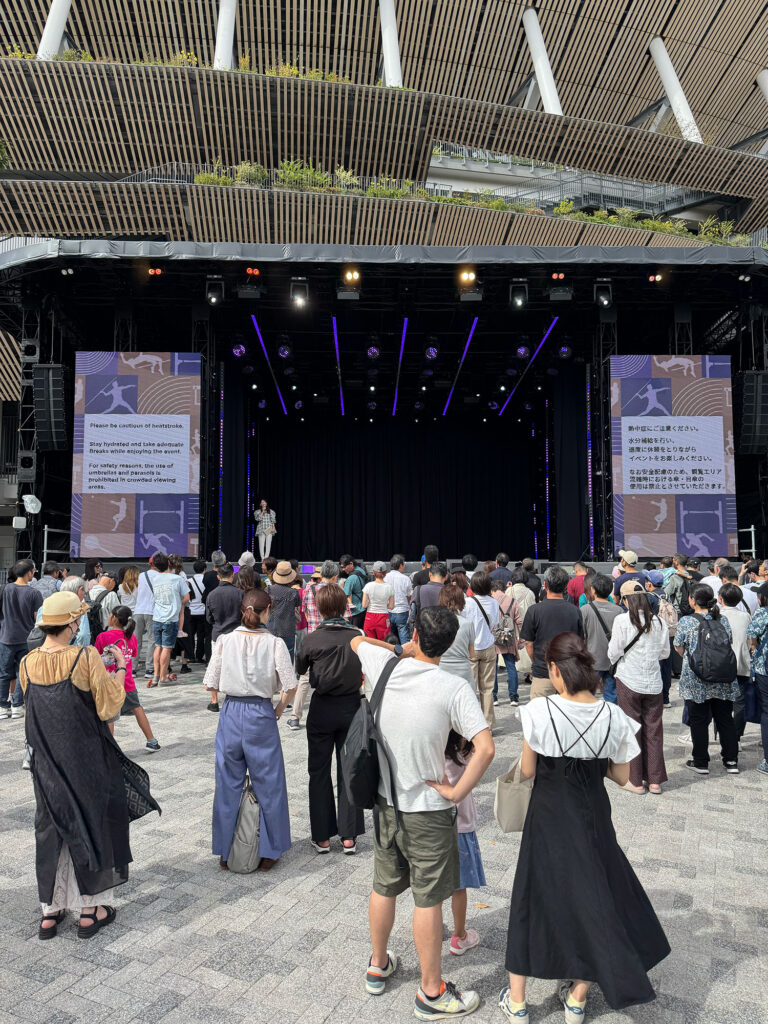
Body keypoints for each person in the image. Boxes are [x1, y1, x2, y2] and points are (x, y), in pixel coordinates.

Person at [499, 632, 670, 1022]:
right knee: (595, 897)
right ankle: (576, 998)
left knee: (533, 897)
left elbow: (526, 771)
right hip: (592, 815)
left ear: (556, 670)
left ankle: (518, 1001)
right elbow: (621, 775)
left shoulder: (538, 711)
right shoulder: (614, 716)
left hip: (547, 815)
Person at [351, 607, 494, 1020]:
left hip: (385, 802)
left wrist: (398, 647)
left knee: (384, 886)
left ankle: (378, 965)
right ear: (451, 646)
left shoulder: (385, 666)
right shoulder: (453, 687)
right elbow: (485, 748)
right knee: (428, 899)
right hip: (429, 809)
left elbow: (356, 640)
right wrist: (457, 791)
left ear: (414, 633)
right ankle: (431, 991)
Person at [20, 592, 159, 940]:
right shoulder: (85, 656)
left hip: (46, 763)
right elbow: (108, 706)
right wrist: (122, 667)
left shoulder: (27, 663)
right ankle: (90, 910)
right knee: (93, 824)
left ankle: (50, 913)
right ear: (71, 623)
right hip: (85, 760)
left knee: (50, 828)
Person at [205, 589, 296, 873]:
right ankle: (270, 850)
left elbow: (210, 683)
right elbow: (290, 686)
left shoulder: (224, 640)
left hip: (232, 712)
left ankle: (225, 849)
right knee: (269, 784)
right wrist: (279, 709)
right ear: (268, 610)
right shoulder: (275, 643)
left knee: (228, 782)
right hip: (260, 713)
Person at [295, 584, 365, 855]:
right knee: (350, 770)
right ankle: (349, 836)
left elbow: (300, 668)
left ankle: (322, 837)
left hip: (322, 708)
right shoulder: (358, 635)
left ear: (321, 609)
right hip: (351, 707)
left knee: (318, 771)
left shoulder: (312, 639)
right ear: (344, 606)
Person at [607, 581, 670, 794]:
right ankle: (654, 781)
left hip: (628, 680)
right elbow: (665, 654)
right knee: (654, 730)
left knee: (631, 728)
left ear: (625, 600)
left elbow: (614, 651)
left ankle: (634, 780)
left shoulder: (622, 620)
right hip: (653, 682)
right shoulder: (659, 622)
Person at [674, 583, 739, 775]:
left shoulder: (687, 621)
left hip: (697, 680)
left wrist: (692, 658)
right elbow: (729, 642)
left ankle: (701, 761)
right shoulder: (723, 619)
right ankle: (731, 760)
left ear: (693, 600)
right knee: (725, 719)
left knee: (699, 720)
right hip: (723, 677)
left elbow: (678, 646)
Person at [444, 730, 486, 957]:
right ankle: (459, 936)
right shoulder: (463, 743)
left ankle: (431, 922)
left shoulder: (433, 739)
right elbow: (484, 749)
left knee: (430, 881)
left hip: (431, 821)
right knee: (458, 886)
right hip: (460, 822)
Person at [94, 605, 160, 751]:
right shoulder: (131, 637)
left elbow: (96, 658)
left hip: (110, 682)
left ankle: (109, 749)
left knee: (109, 715)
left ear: (114, 618)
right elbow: (134, 654)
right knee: (137, 708)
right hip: (128, 681)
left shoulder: (103, 637)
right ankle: (152, 740)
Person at [520, 565, 584, 700]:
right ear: (566, 586)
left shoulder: (534, 610)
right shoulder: (575, 611)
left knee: (541, 715)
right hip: (568, 672)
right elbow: (580, 643)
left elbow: (528, 643)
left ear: (545, 585)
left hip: (543, 671)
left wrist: (536, 661)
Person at [0, 559, 44, 718]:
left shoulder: (4, 589)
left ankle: (2, 707)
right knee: (22, 672)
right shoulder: (34, 593)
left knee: (3, 673)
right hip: (26, 638)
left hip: (5, 637)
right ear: (29, 573)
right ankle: (17, 705)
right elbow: (37, 618)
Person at [463, 572, 500, 729]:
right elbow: (495, 624)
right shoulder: (493, 602)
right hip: (489, 646)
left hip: (471, 648)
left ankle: (471, 724)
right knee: (487, 689)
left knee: (470, 689)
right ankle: (488, 724)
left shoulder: (468, 603)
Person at [205, 562, 243, 711]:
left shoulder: (212, 594)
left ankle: (214, 701)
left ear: (218, 576)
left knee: (215, 666)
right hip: (236, 634)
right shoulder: (240, 593)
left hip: (218, 634)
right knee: (235, 666)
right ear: (233, 575)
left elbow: (209, 618)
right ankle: (234, 696)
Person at [147, 554, 190, 687]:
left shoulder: (154, 579)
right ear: (169, 564)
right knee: (166, 648)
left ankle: (155, 677)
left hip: (157, 617)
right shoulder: (177, 579)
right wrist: (178, 603)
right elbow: (187, 597)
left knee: (158, 646)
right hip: (170, 618)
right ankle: (163, 678)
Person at [581, 572, 623, 704]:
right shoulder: (619, 611)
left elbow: (581, 636)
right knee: (612, 696)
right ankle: (610, 720)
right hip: (613, 661)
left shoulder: (585, 610)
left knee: (587, 695)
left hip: (592, 660)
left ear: (593, 590)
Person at [719, 583, 751, 742]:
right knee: (740, 703)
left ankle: (724, 734)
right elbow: (750, 641)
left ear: (720, 598)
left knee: (722, 703)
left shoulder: (715, 616)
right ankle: (736, 737)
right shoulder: (746, 616)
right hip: (741, 664)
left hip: (720, 666)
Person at [747, 582, 768, 775]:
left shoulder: (763, 613)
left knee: (767, 711)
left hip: (765, 668)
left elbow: (752, 634)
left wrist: (754, 646)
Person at [490, 579, 522, 708]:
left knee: (493, 668)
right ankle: (513, 697)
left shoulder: (489, 601)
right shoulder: (512, 601)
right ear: (503, 589)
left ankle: (494, 697)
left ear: (492, 590)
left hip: (493, 638)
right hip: (508, 637)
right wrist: (522, 639)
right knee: (511, 666)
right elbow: (519, 621)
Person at [436, 584, 475, 687]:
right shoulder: (468, 623)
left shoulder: (435, 623)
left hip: (441, 671)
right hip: (463, 674)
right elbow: (472, 654)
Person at [267, 561, 301, 660]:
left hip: (271, 629)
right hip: (288, 630)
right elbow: (297, 604)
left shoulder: (268, 590)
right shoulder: (294, 593)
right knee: (288, 661)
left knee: (271, 661)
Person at [509, 568, 536, 685]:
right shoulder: (530, 593)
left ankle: (512, 674)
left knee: (512, 651)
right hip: (526, 625)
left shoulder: (509, 591)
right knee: (526, 649)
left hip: (511, 625)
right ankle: (530, 673)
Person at [132, 560, 157, 680]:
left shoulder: (141, 575)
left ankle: (132, 668)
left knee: (136, 641)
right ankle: (149, 668)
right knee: (152, 640)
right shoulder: (160, 576)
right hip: (151, 611)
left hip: (138, 610)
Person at [409, 560, 449, 632]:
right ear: (446, 576)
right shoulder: (450, 591)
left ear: (430, 574)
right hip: (443, 633)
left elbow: (412, 614)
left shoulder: (418, 589)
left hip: (422, 631)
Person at [362, 562, 394, 640]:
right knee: (384, 643)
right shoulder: (389, 587)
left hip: (370, 617)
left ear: (373, 572)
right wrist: (383, 604)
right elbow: (391, 606)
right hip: (383, 617)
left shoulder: (368, 586)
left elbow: (364, 605)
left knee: (369, 643)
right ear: (385, 573)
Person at [385, 554, 413, 643]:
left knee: (390, 638)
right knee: (404, 638)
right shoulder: (405, 578)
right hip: (402, 611)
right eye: (404, 564)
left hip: (388, 611)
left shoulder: (385, 577)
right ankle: (405, 656)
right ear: (400, 565)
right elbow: (409, 596)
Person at [59, 576, 91, 646]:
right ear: (80, 590)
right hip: (72, 652)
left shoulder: (46, 606)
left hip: (47, 652)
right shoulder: (79, 608)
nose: (84, 595)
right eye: (84, 592)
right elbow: (83, 635)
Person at [186, 559, 207, 663]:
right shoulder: (206, 579)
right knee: (201, 636)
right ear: (205, 569)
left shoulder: (189, 581)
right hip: (202, 611)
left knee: (190, 635)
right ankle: (199, 656)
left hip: (191, 611)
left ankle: (190, 656)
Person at [340, 555, 368, 629]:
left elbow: (345, 594)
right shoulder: (361, 571)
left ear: (351, 564)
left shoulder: (351, 579)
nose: (343, 569)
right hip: (363, 608)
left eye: (344, 567)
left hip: (355, 612)